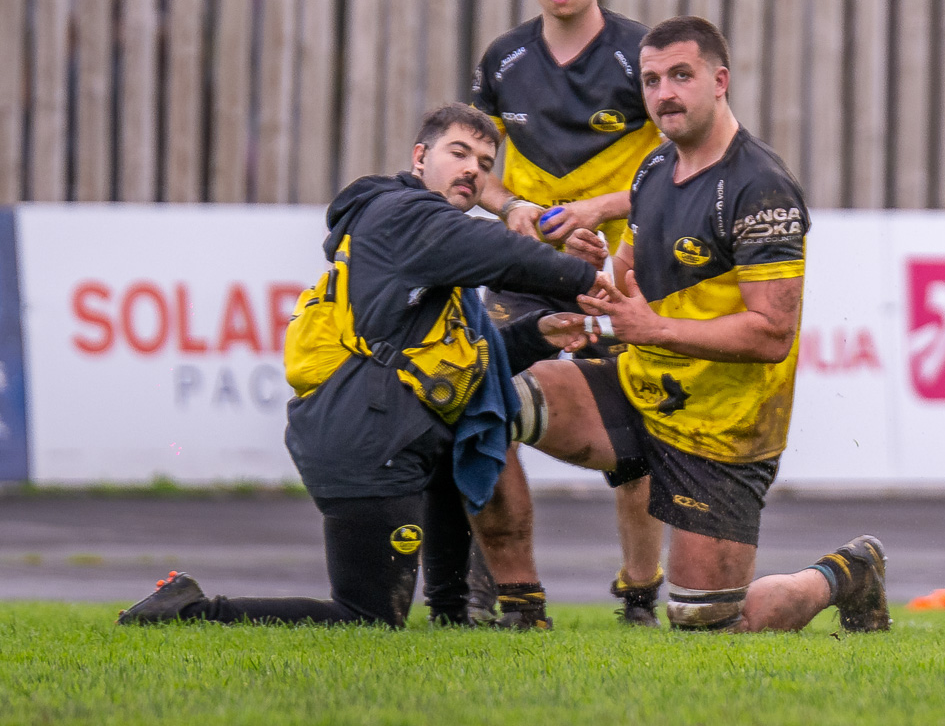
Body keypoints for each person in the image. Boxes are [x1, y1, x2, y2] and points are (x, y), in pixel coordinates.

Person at [117, 105, 611, 629]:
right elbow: (503, 252)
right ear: (420, 157)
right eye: (459, 152)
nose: (472, 169)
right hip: (365, 438)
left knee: (459, 447)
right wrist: (585, 277)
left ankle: (452, 615)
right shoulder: (404, 215)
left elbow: (470, 362)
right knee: (366, 618)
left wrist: (538, 334)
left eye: (485, 163)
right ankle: (188, 611)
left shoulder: (437, 249)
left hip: (388, 430)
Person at [477, 15, 890, 633]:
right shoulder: (652, 170)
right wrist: (599, 288)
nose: (664, 94)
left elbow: (772, 333)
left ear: (720, 81)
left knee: (709, 626)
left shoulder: (762, 188)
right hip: (640, 386)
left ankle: (848, 571)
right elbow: (628, 285)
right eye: (651, 81)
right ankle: (520, 606)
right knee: (487, 405)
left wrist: (652, 330)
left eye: (680, 76)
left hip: (723, 432)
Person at [470, 0, 667, 625]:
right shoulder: (503, 60)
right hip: (524, 270)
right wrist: (510, 209)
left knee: (638, 440)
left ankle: (640, 593)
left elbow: (681, 167)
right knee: (480, 409)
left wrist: (597, 210)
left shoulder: (641, 56)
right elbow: (475, 172)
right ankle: (503, 590)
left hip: (620, 274)